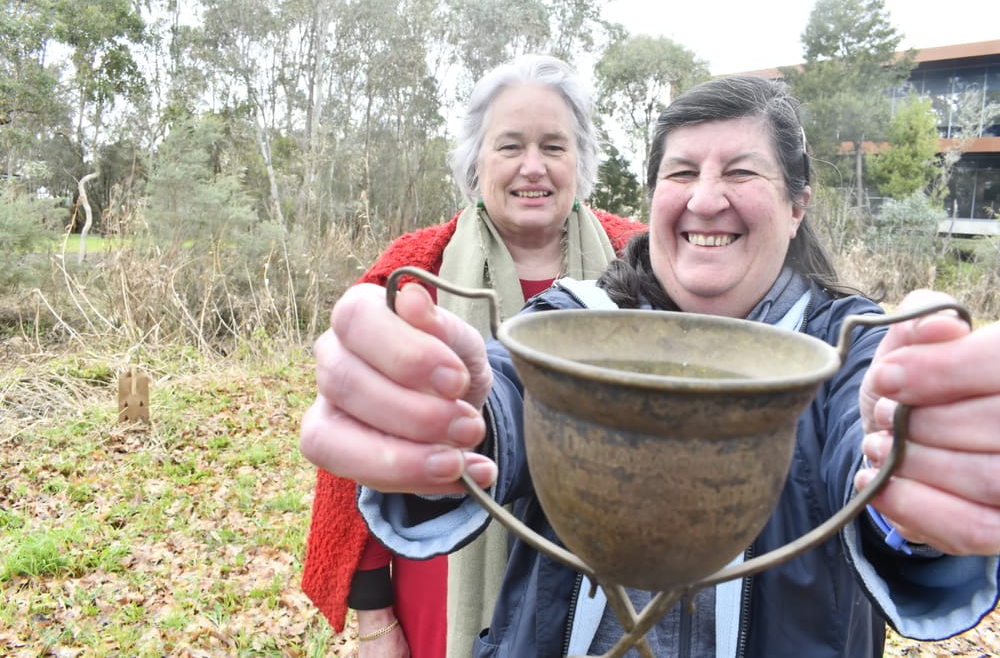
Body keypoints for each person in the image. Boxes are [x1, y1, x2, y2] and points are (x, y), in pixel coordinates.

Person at [299, 74, 1000, 657]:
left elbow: (872, 435)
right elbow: (506, 401)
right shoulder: (577, 319)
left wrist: (913, 468)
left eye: (741, 172)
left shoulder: (849, 351)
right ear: (654, 197)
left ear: (797, 206)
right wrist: (444, 413)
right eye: (682, 172)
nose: (704, 198)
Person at [300, 53, 646, 657]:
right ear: (476, 161)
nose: (532, 167)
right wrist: (375, 620)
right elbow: (360, 459)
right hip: (442, 578)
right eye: (510, 146)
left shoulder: (640, 261)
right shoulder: (415, 273)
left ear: (581, 160)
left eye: (554, 146)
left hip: (602, 589)